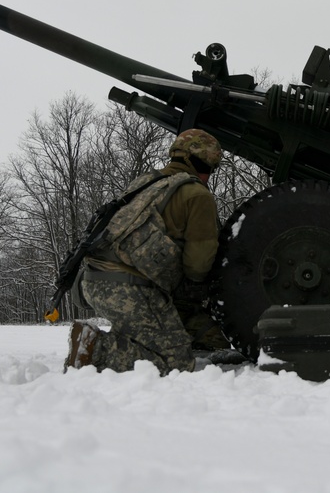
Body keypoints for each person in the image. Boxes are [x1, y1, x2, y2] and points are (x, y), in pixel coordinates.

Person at [65, 128, 223, 374]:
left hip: (94, 279)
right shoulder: (197, 194)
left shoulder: (146, 182)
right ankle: (95, 348)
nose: (208, 176)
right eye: (210, 169)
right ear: (202, 164)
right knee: (177, 363)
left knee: (146, 336)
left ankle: (107, 344)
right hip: (130, 288)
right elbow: (198, 265)